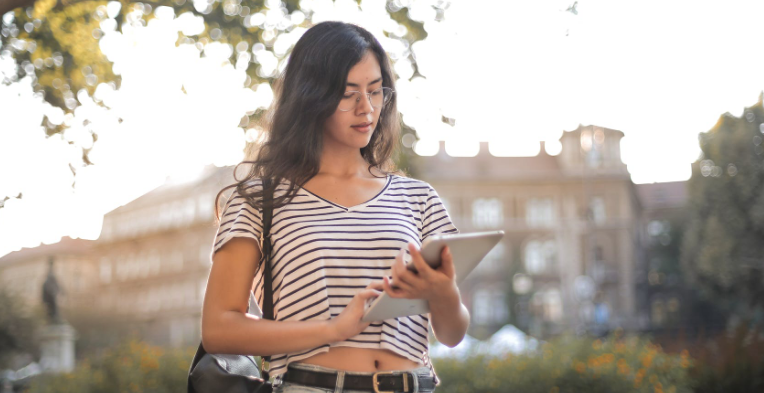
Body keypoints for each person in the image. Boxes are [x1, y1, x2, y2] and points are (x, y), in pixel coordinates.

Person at [201, 21, 470, 393]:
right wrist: (334, 330)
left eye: (376, 91)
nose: (367, 108)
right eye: (348, 94)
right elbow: (218, 329)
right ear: (312, 96)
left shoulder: (417, 197)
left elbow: (453, 333)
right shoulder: (259, 201)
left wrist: (445, 295)